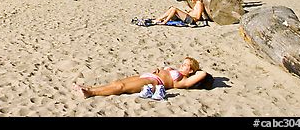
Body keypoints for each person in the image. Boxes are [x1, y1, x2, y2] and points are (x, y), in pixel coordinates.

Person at [73, 57, 208, 100]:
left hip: (153, 81)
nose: (182, 65)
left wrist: (194, 70)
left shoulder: (183, 80)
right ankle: (90, 88)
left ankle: (91, 93)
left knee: (121, 88)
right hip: (147, 75)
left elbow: (203, 74)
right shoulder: (175, 70)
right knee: (118, 82)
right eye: (182, 63)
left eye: (186, 65)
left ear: (191, 70)